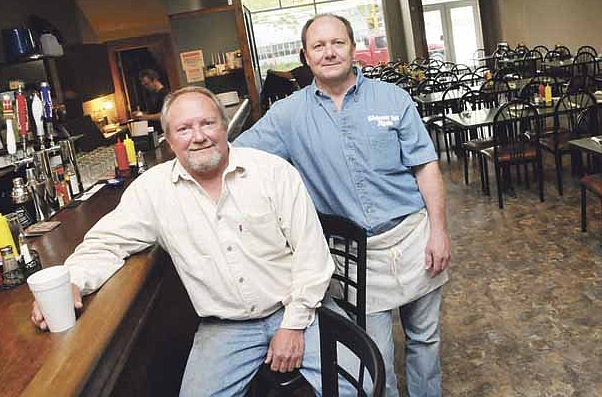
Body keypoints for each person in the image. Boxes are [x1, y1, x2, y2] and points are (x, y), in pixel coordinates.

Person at [30, 86, 357, 396]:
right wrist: (71, 281)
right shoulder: (153, 190)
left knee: (360, 386)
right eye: (184, 129)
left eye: (207, 123)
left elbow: (312, 256)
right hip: (226, 328)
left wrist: (293, 325)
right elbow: (107, 242)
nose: (198, 136)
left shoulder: (274, 172)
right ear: (169, 140)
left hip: (298, 308)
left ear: (224, 126)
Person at [235, 13, 451, 397]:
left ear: (353, 48)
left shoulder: (393, 98)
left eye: (337, 43)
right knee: (376, 354)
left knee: (425, 339)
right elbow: (235, 156)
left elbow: (425, 166)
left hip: (415, 237)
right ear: (305, 56)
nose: (329, 52)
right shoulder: (287, 115)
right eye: (318, 46)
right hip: (354, 257)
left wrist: (439, 230)